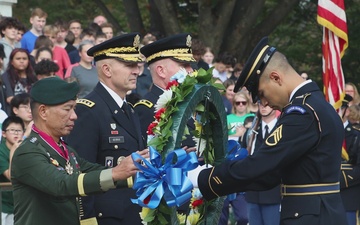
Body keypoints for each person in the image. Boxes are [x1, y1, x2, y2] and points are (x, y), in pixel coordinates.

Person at [196, 37, 347, 225]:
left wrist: (202, 178)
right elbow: (269, 176)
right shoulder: (315, 105)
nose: (264, 103)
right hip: (319, 212)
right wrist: (216, 182)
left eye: (262, 94)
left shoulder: (301, 113)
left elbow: (261, 163)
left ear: (275, 77)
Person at [11, 77, 148, 225]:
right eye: (67, 109)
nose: (74, 116)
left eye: (74, 109)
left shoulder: (67, 151)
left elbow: (96, 171)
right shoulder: (27, 152)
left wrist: (141, 174)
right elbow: (61, 184)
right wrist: (115, 173)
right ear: (43, 112)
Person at [65, 33, 147, 225]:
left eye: (137, 65)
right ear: (107, 70)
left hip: (133, 213)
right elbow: (80, 174)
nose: (136, 71)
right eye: (129, 65)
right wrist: (87, 220)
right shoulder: (88, 111)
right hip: (107, 217)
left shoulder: (128, 109)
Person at [134, 33, 196, 140]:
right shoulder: (146, 109)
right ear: (161, 71)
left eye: (190, 65)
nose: (191, 70)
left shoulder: (193, 100)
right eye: (184, 65)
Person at [245, 103, 281, 225]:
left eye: (268, 104)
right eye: (260, 103)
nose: (263, 107)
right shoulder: (252, 132)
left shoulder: (282, 129)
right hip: (253, 192)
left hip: (273, 192)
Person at [339, 95, 360, 225]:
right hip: (326, 196)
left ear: (347, 111)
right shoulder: (321, 135)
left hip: (349, 195)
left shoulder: (356, 135)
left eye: (338, 109)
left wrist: (337, 179)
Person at [0, 116, 24, 225]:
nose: (16, 133)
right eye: (12, 130)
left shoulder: (26, 149)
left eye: (19, 130)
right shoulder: (1, 152)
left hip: (24, 204)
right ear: (4, 133)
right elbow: (11, 176)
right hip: (5, 206)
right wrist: (13, 152)